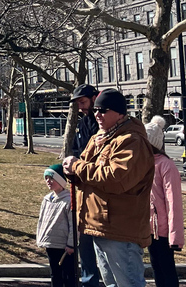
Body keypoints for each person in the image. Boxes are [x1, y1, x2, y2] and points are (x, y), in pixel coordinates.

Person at [62, 88, 155, 287]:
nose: (97, 114)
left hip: (121, 229)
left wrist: (77, 166)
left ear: (120, 113)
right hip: (101, 226)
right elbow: (89, 172)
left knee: (129, 283)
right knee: (112, 284)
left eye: (103, 110)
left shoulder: (131, 140)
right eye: (96, 110)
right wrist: (73, 172)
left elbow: (116, 178)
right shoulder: (102, 137)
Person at [144, 116, 184, 287]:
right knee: (156, 268)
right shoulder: (144, 164)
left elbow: (174, 202)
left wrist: (175, 237)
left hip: (164, 231)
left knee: (167, 270)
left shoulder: (166, 165)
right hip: (148, 229)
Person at [68, 83, 100, 287]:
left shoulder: (102, 124)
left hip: (100, 191)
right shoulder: (84, 122)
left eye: (83, 102)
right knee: (85, 243)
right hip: (83, 189)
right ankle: (89, 282)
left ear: (95, 98)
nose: (81, 107)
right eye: (78, 104)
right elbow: (76, 149)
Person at [36, 164, 75, 287]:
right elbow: (42, 221)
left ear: (60, 180)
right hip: (51, 243)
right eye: (46, 178)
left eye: (51, 178)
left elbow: (74, 224)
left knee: (68, 275)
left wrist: (71, 244)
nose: (48, 181)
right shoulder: (47, 199)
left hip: (64, 247)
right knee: (55, 274)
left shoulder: (69, 200)